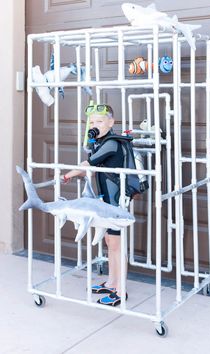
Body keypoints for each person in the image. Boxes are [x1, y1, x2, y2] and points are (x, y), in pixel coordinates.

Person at [63, 103, 127, 306]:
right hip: (106, 199)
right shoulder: (100, 143)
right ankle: (111, 282)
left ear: (111, 122)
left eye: (100, 121)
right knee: (110, 242)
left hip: (116, 200)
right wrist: (75, 173)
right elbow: (90, 166)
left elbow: (88, 164)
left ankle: (120, 290)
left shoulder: (111, 143)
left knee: (116, 244)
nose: (95, 125)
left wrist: (67, 174)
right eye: (92, 122)